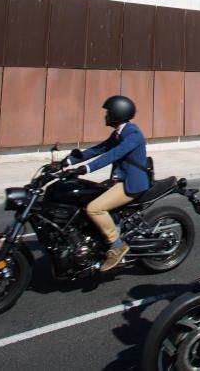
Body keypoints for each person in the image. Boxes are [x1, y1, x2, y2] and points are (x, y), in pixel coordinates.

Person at [63, 95, 150, 272]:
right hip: (119, 179)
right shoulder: (119, 132)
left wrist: (86, 169)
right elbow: (100, 148)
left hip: (131, 183)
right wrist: (68, 162)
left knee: (94, 208)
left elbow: (113, 155)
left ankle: (117, 245)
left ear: (118, 113)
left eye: (108, 112)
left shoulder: (133, 134)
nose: (106, 115)